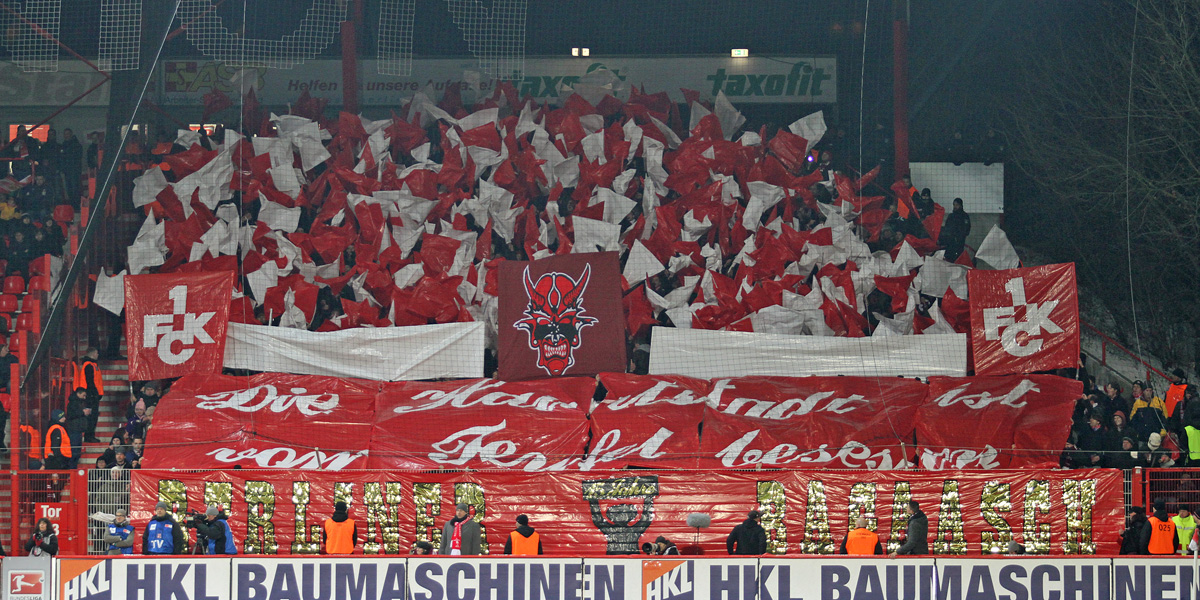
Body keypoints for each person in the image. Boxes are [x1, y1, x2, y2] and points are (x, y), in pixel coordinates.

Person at [74, 348, 103, 443]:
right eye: (97, 353)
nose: (98, 355)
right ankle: (89, 436)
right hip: (91, 396)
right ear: (93, 353)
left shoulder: (91, 365)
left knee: (92, 417)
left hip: (92, 395)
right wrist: (94, 394)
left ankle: (90, 435)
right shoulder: (89, 365)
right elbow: (90, 382)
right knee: (91, 417)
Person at [64, 387, 90, 466]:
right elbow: (70, 415)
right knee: (74, 452)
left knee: (77, 452)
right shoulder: (73, 403)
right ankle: (71, 470)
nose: (84, 398)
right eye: (83, 395)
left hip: (78, 430)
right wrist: (83, 413)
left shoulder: (78, 403)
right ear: (78, 394)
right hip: (74, 430)